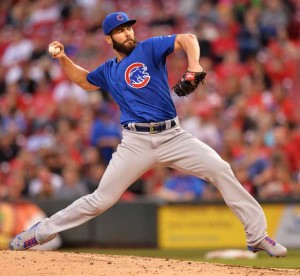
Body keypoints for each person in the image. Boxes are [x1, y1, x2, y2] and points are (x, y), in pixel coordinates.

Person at [9, 11, 287, 257]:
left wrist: (195, 66)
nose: (127, 32)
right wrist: (63, 57)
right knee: (100, 200)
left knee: (221, 169)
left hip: (173, 136)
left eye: (129, 27)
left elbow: (188, 38)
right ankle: (40, 233)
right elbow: (83, 80)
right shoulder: (108, 70)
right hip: (135, 143)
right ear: (108, 39)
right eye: (120, 30)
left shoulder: (149, 49)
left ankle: (258, 236)